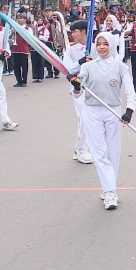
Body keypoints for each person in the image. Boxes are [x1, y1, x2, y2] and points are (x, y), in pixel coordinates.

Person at [69, 32, 136, 210]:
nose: (102, 47)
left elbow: (130, 91)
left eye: (106, 44)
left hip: (113, 111)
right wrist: (76, 86)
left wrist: (129, 111)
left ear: (112, 45)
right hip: (91, 112)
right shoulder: (88, 67)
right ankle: (110, 192)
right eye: (99, 44)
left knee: (113, 151)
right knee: (99, 153)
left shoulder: (121, 67)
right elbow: (78, 91)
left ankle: (108, 187)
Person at [61, 20, 93, 165]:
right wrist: (80, 62)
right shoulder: (70, 50)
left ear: (84, 32)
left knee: (89, 119)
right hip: (77, 88)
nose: (72, 35)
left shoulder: (95, 47)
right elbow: (67, 70)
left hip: (93, 89)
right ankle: (81, 150)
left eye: (75, 32)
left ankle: (80, 149)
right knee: (84, 117)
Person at [10, 14, 31, 87]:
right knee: (16, 67)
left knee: (24, 66)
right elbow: (10, 37)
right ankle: (18, 81)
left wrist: (20, 32)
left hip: (23, 49)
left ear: (24, 20)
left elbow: (29, 37)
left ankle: (24, 81)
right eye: (18, 18)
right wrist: (12, 33)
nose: (19, 19)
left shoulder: (27, 28)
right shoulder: (14, 28)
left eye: (21, 18)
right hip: (15, 49)